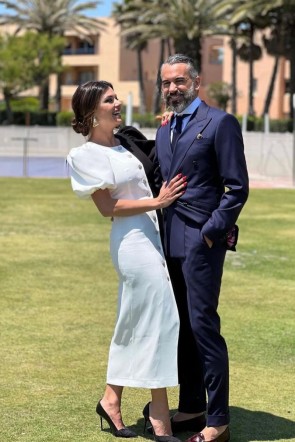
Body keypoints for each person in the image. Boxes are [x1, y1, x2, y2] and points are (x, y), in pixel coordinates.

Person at [66, 80, 186, 441]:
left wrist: (171, 123)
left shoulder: (128, 139)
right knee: (162, 320)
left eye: (116, 96)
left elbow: (161, 157)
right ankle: (160, 418)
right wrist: (157, 202)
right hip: (131, 243)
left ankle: (111, 400)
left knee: (137, 321)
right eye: (109, 100)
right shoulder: (84, 156)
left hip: (154, 238)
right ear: (90, 112)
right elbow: (107, 208)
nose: (117, 103)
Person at [154, 54, 249, 442]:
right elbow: (154, 170)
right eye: (166, 84)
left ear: (196, 82)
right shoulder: (164, 129)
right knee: (180, 330)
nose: (172, 88)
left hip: (201, 242)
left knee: (204, 327)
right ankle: (191, 404)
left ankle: (219, 420)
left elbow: (237, 187)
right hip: (167, 242)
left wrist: (210, 232)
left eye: (179, 81)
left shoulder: (221, 122)